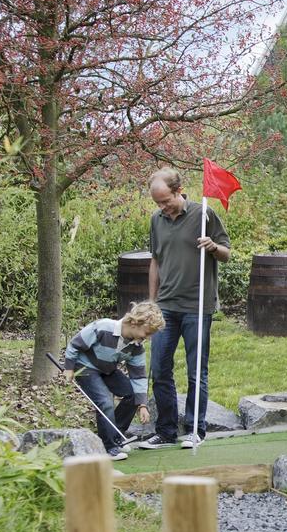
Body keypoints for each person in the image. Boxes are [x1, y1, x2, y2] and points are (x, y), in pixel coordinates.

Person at [138, 167, 231, 450]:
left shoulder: (204, 215)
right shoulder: (157, 220)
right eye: (157, 203)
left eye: (165, 201)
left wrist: (213, 246)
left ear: (179, 191)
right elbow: (155, 260)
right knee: (159, 368)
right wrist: (152, 303)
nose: (162, 207)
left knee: (196, 372)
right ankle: (165, 431)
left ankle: (194, 430)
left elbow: (227, 254)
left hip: (197, 306)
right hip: (166, 306)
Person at [64, 302, 165, 460]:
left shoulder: (137, 346)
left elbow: (138, 376)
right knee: (105, 401)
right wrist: (69, 367)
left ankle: (115, 436)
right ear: (134, 322)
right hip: (85, 367)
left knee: (131, 395)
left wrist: (142, 404)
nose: (148, 337)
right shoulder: (104, 327)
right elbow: (75, 343)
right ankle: (108, 446)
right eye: (147, 332)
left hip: (107, 369)